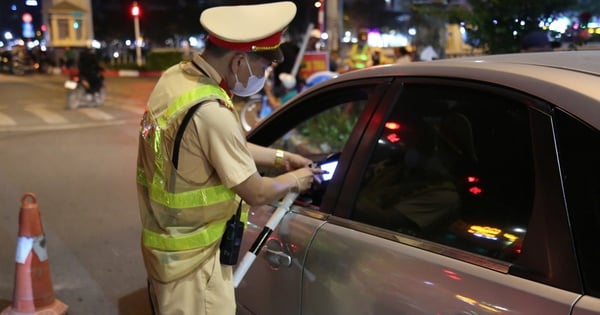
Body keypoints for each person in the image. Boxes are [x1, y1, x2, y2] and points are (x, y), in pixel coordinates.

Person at [136, 2, 321, 314]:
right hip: (196, 265)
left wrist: (281, 157)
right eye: (263, 69)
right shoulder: (211, 111)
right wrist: (296, 179)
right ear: (239, 62)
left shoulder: (176, 80)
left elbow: (220, 147)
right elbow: (257, 192)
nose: (262, 77)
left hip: (166, 245)